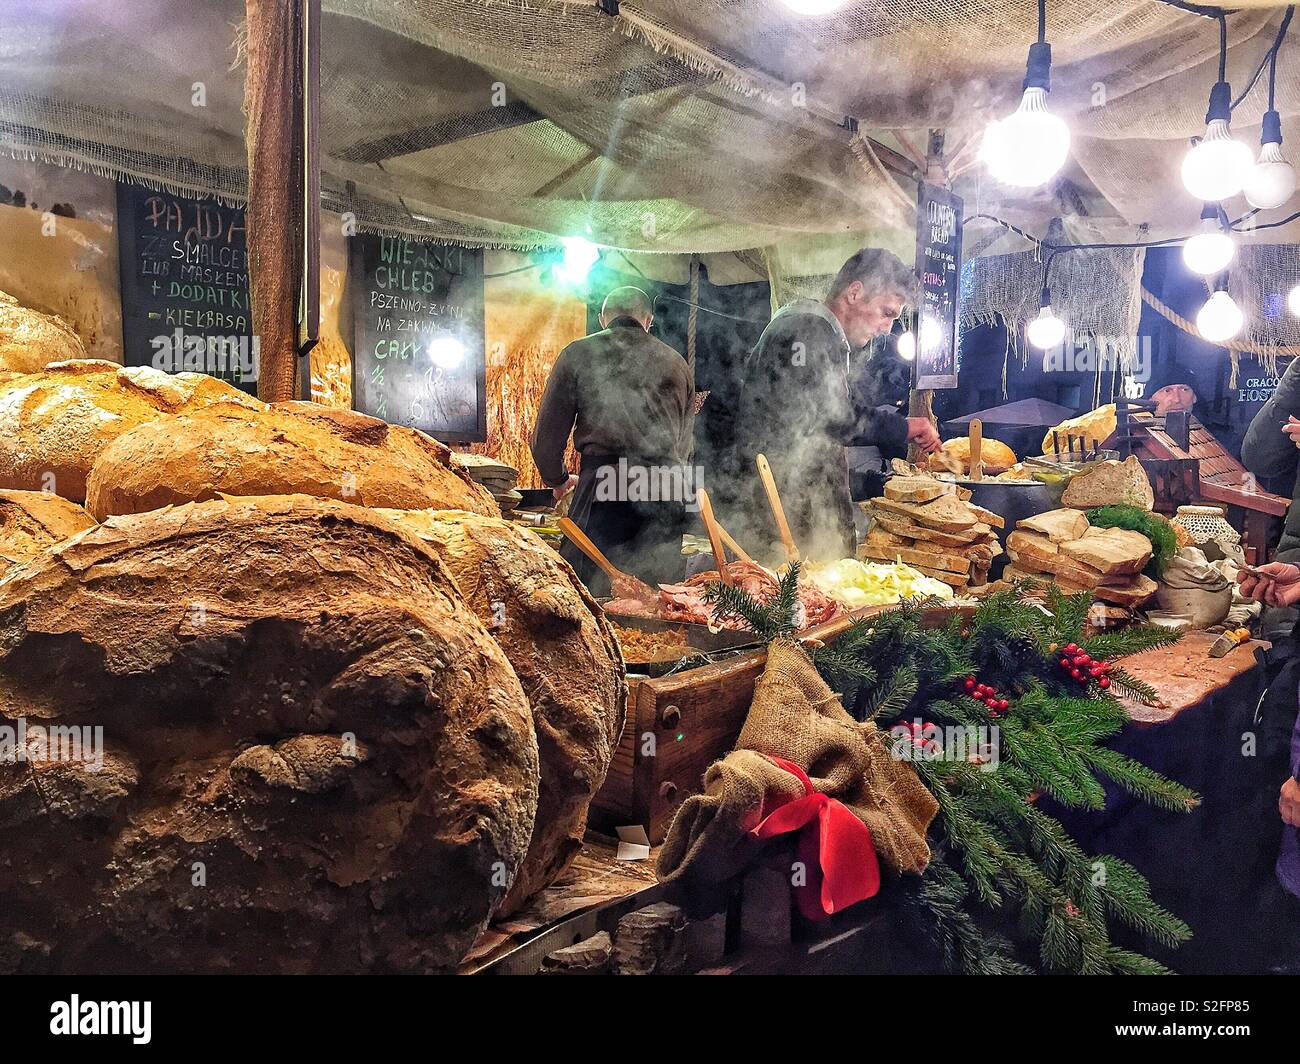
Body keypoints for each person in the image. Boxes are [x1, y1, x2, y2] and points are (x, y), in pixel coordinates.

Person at [729, 248, 940, 559]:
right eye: (887, 312)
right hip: (783, 519)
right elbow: (826, 417)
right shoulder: (807, 329)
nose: (887, 329)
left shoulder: (821, 334)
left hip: (800, 510)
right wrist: (902, 426)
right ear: (854, 293)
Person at [531, 286, 693, 595]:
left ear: (604, 318)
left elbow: (546, 440)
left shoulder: (578, 353)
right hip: (666, 493)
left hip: (605, 491)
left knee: (590, 596)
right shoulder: (677, 364)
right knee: (659, 604)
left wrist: (558, 478)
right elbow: (684, 446)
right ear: (648, 320)